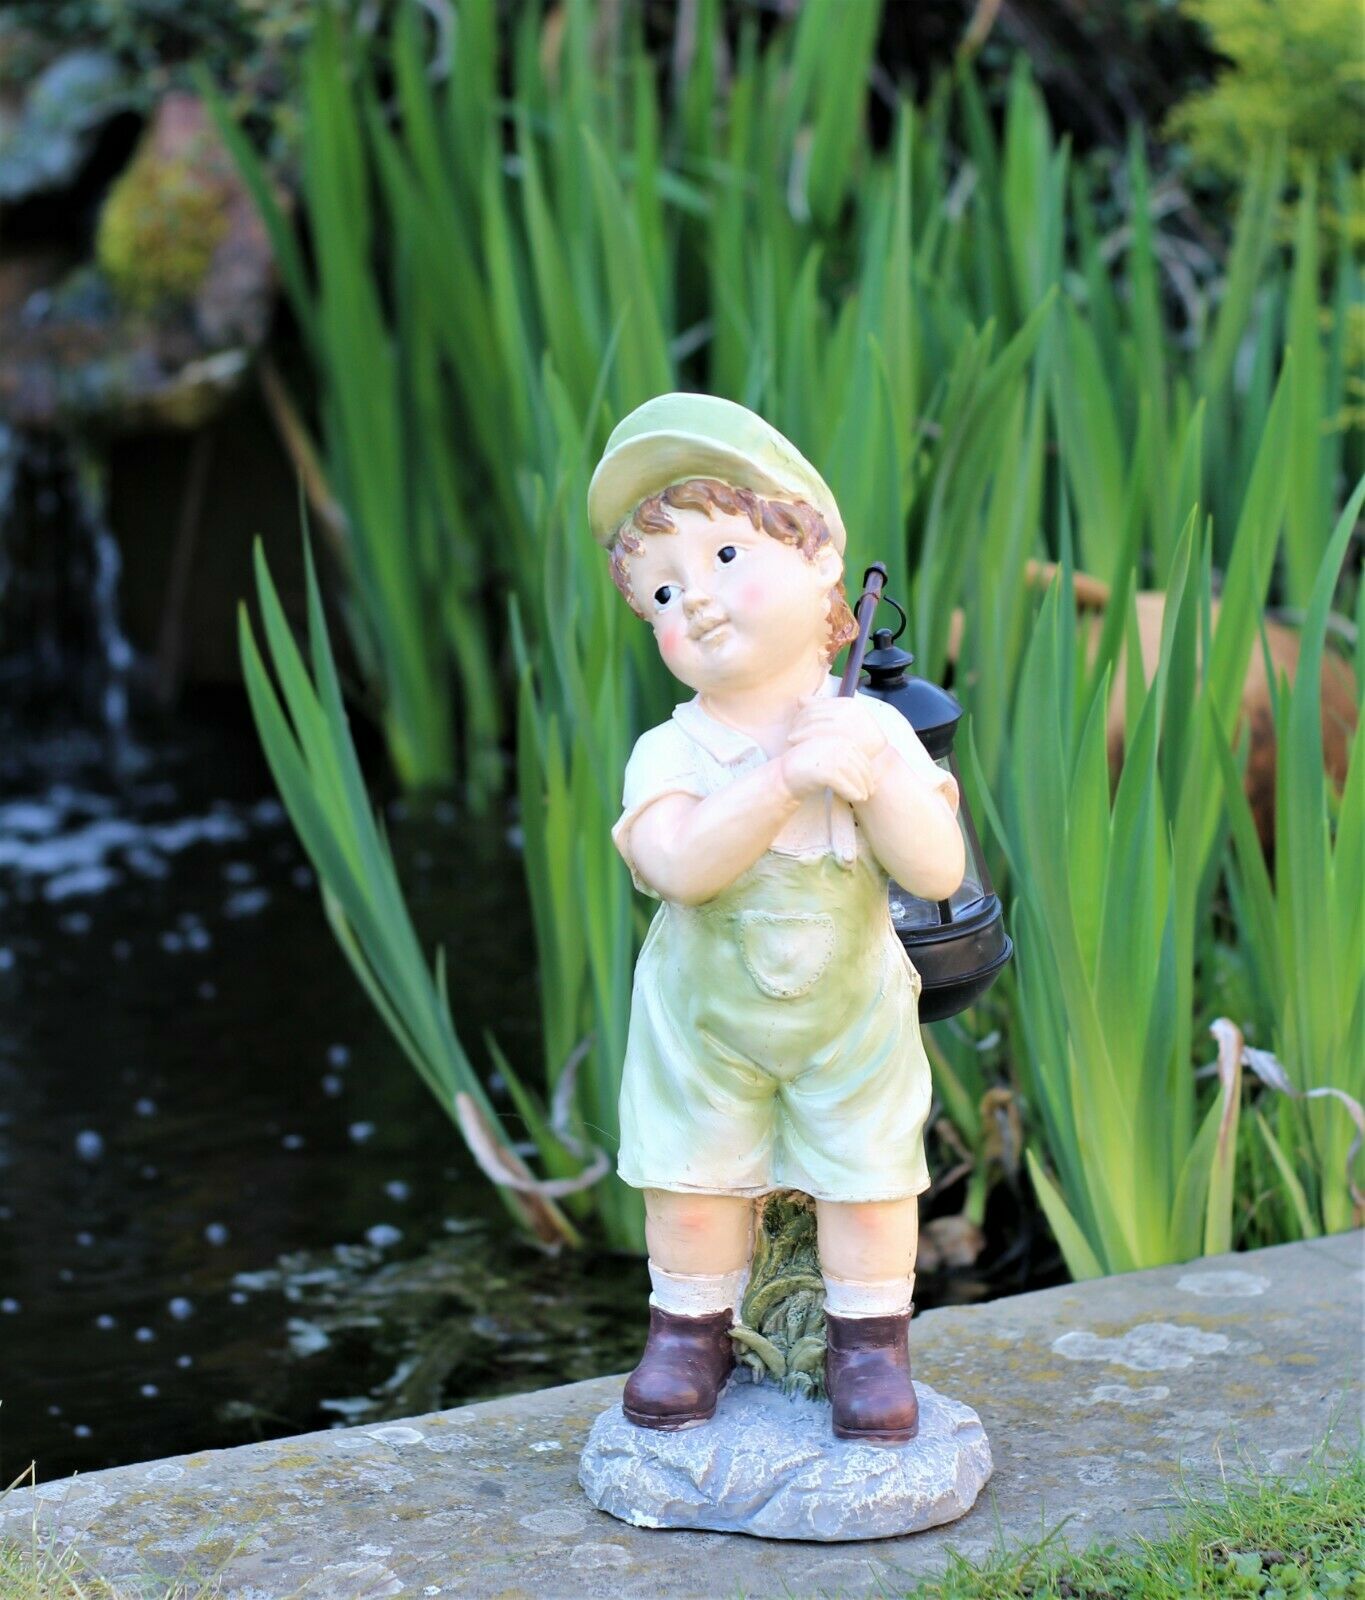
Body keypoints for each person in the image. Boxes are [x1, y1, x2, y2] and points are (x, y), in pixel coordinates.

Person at [588, 393, 965, 1443]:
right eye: (662, 591)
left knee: (870, 1180)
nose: (694, 603)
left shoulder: (874, 727)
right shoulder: (675, 751)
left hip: (848, 1017)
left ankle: (870, 1344)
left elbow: (935, 866)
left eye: (722, 558)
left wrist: (875, 771)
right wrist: (786, 779)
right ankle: (686, 1330)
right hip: (705, 1025)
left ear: (823, 566)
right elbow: (678, 865)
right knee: (695, 1181)